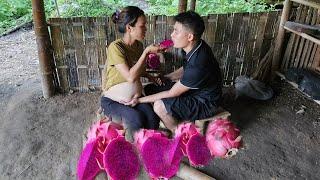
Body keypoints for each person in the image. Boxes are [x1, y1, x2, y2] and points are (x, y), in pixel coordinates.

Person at [125, 11, 223, 132]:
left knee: (159, 106)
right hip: (194, 90)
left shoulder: (199, 63)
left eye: (176, 31)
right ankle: (173, 117)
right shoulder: (194, 46)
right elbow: (186, 69)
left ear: (190, 36)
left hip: (205, 103)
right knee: (151, 88)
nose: (172, 35)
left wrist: (139, 100)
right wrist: (167, 77)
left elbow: (172, 93)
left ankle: (179, 134)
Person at [100, 6, 164, 137]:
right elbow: (130, 77)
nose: (146, 28)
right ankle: (133, 153)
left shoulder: (138, 46)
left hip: (135, 99)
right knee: (136, 119)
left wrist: (149, 76)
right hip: (113, 101)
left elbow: (138, 70)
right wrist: (146, 52)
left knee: (153, 118)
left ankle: (149, 150)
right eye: (142, 26)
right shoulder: (116, 47)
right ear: (129, 28)